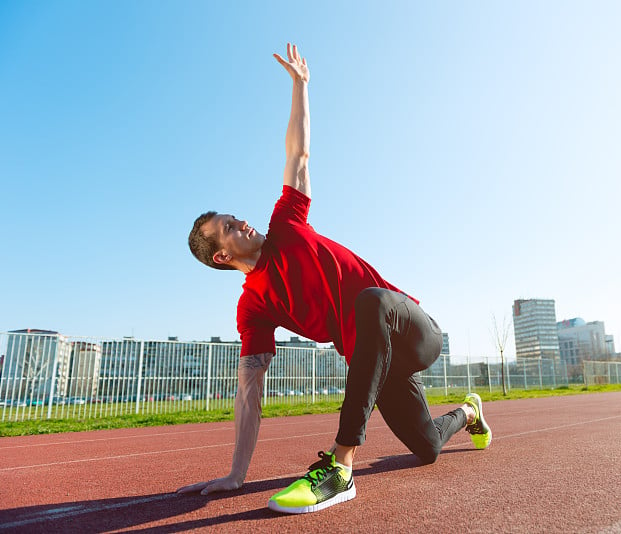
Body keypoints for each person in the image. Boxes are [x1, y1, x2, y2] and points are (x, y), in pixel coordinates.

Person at [178, 43, 491, 514]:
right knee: (425, 447)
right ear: (221, 257)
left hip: (412, 328)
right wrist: (237, 474)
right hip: (375, 359)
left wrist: (301, 86)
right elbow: (249, 390)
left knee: (369, 302)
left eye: (234, 216)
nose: (240, 222)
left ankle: (340, 466)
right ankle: (470, 412)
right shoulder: (253, 306)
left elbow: (298, 154)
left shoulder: (286, 222)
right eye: (227, 227)